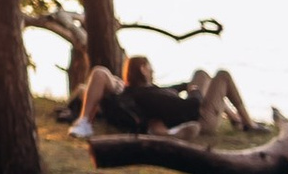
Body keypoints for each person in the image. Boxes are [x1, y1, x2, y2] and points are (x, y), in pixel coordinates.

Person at [72, 51, 257, 141]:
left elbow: (166, 91)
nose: (153, 69)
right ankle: (249, 123)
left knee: (201, 74)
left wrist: (185, 86)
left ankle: (235, 119)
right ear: (144, 69)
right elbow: (189, 106)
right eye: (150, 66)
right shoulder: (147, 95)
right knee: (222, 75)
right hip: (201, 117)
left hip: (186, 110)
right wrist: (194, 92)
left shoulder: (146, 92)